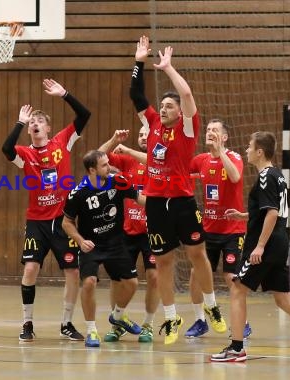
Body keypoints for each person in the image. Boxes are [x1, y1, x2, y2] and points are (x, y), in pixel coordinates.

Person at [129, 35, 226, 345]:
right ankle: (171, 317)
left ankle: (211, 307)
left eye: (169, 106)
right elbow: (135, 94)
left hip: (183, 201)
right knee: (163, 262)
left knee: (198, 254)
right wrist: (138, 61)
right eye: (163, 105)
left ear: (178, 111)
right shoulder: (154, 123)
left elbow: (185, 92)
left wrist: (168, 67)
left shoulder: (187, 128)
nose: (164, 108)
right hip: (156, 204)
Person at [211, 131, 290, 362]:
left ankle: (236, 348)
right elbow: (271, 210)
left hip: (266, 244)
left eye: (249, 146)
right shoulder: (278, 176)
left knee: (238, 288)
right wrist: (244, 215)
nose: (247, 150)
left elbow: (272, 212)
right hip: (279, 242)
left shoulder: (265, 177)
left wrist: (259, 246)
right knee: (283, 298)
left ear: (260, 152)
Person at [1, 79, 91, 342]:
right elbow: (6, 149)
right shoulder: (24, 154)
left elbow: (84, 115)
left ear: (49, 128)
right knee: (30, 269)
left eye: (39, 121)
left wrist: (64, 93)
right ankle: (27, 323)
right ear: (29, 131)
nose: (35, 124)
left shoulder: (63, 142)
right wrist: (19, 122)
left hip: (63, 221)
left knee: (72, 271)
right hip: (37, 221)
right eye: (32, 123)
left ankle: (66, 323)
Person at [62, 150, 145, 347]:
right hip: (92, 245)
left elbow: (140, 199)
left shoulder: (118, 181)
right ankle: (91, 331)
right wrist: (81, 241)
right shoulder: (78, 192)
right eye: (104, 165)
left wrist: (164, 203)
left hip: (116, 243)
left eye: (108, 163)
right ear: (92, 170)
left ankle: (118, 316)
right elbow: (67, 223)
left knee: (132, 283)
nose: (110, 167)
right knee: (89, 282)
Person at [185, 119, 251, 338]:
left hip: (233, 229)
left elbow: (235, 176)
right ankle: (200, 321)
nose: (210, 133)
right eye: (208, 130)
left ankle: (244, 322)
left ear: (224, 137)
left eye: (215, 130)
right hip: (209, 228)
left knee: (231, 275)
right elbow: (180, 169)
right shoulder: (200, 160)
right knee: (196, 274)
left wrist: (220, 151)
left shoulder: (234, 157)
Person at [98, 128, 160, 343]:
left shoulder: (161, 161)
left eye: (147, 134)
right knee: (118, 279)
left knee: (154, 277)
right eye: (140, 134)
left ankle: (148, 324)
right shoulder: (126, 161)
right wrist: (114, 139)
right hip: (125, 230)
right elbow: (98, 157)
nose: (143, 136)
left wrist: (129, 150)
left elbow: (154, 161)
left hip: (154, 231)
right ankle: (117, 323)